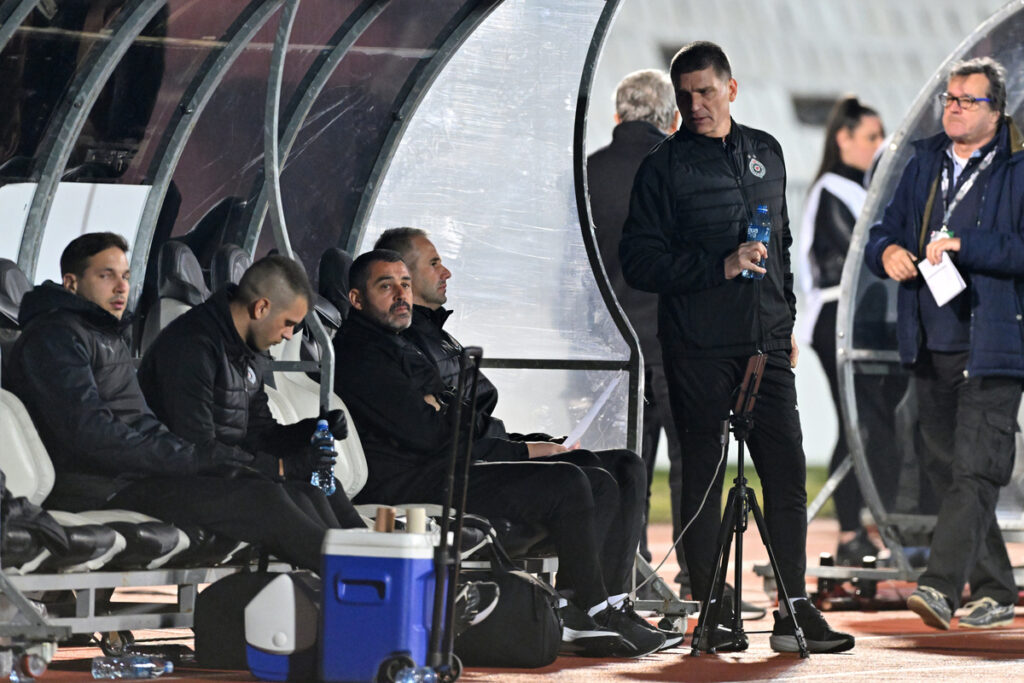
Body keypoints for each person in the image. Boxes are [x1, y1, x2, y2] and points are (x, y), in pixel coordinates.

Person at [618, 40, 854, 654]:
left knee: (787, 475)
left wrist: (788, 322)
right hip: (697, 348)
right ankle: (712, 609)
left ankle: (794, 610)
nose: (696, 104)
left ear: (732, 88)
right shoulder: (662, 168)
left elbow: (779, 241)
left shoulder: (768, 152)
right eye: (687, 94)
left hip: (767, 345)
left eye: (706, 91)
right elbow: (638, 262)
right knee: (701, 477)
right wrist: (717, 267)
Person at [334, 249, 667, 658]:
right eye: (386, 287)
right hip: (412, 479)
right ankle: (579, 609)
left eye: (405, 284)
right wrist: (456, 416)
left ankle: (606, 605)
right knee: (570, 481)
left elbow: (455, 415)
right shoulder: (362, 353)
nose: (401, 295)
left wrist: (447, 409)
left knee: (605, 469)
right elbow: (430, 433)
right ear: (356, 299)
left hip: (440, 464)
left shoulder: (400, 343)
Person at [4, 233, 345, 571]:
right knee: (265, 499)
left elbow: (142, 424)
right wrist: (195, 459)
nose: (122, 287)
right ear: (71, 283)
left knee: (303, 491)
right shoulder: (54, 338)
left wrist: (201, 458)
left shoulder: (104, 336)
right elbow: (90, 433)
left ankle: (371, 565)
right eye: (106, 275)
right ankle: (360, 581)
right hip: (99, 486)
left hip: (134, 476)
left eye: (125, 276)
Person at [865, 57, 1023, 630]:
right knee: (945, 466)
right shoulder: (924, 160)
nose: (952, 107)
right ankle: (996, 587)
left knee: (975, 469)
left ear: (996, 110)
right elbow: (884, 229)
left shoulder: (1018, 167)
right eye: (949, 98)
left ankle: (938, 586)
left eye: (966, 100)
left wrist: (964, 245)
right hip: (931, 342)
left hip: (994, 345)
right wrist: (886, 253)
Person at [138, 254, 365, 530]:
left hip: (227, 474)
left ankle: (371, 555)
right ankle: (343, 567)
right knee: (281, 497)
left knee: (325, 486)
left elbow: (260, 433)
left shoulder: (250, 352)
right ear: (261, 308)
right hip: (177, 482)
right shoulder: (192, 347)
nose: (289, 335)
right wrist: (282, 468)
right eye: (288, 323)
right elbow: (195, 448)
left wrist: (310, 430)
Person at [586, 69, 689, 582]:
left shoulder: (587, 174)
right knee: (691, 465)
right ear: (672, 119)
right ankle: (698, 576)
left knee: (625, 470)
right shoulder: (681, 169)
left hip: (609, 350)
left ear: (617, 116)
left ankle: (628, 575)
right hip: (676, 343)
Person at [798, 96, 888, 564]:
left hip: (866, 319)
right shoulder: (833, 188)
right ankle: (851, 530)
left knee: (870, 424)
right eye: (871, 136)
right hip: (839, 320)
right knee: (857, 424)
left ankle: (864, 528)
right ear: (844, 138)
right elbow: (851, 261)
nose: (880, 145)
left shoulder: (864, 189)